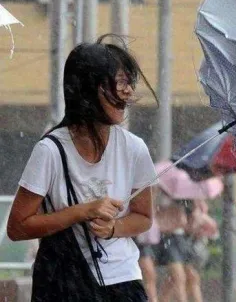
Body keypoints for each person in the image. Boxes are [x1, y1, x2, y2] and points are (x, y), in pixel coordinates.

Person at [7, 34, 157, 301]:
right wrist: (82, 211)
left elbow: (143, 217)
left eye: (127, 83)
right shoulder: (51, 151)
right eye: (118, 83)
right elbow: (18, 227)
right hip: (63, 281)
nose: (127, 92)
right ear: (89, 89)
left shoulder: (135, 149)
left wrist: (114, 228)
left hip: (122, 280)